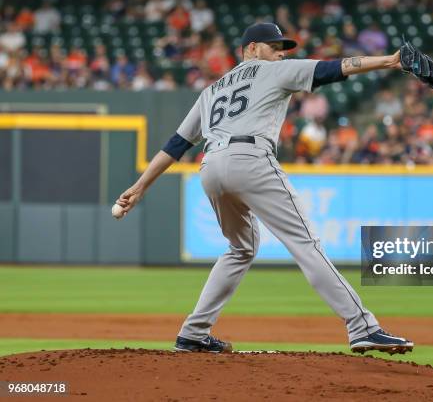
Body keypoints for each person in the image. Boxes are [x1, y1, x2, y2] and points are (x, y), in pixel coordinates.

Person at [114, 23, 414, 355]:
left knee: (240, 248)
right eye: (274, 46)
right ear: (252, 48)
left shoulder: (211, 90)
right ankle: (363, 327)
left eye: (283, 48)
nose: (281, 52)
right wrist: (390, 60)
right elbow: (336, 68)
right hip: (250, 158)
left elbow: (176, 144)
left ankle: (193, 333)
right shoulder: (274, 72)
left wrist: (140, 186)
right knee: (306, 243)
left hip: (211, 166)